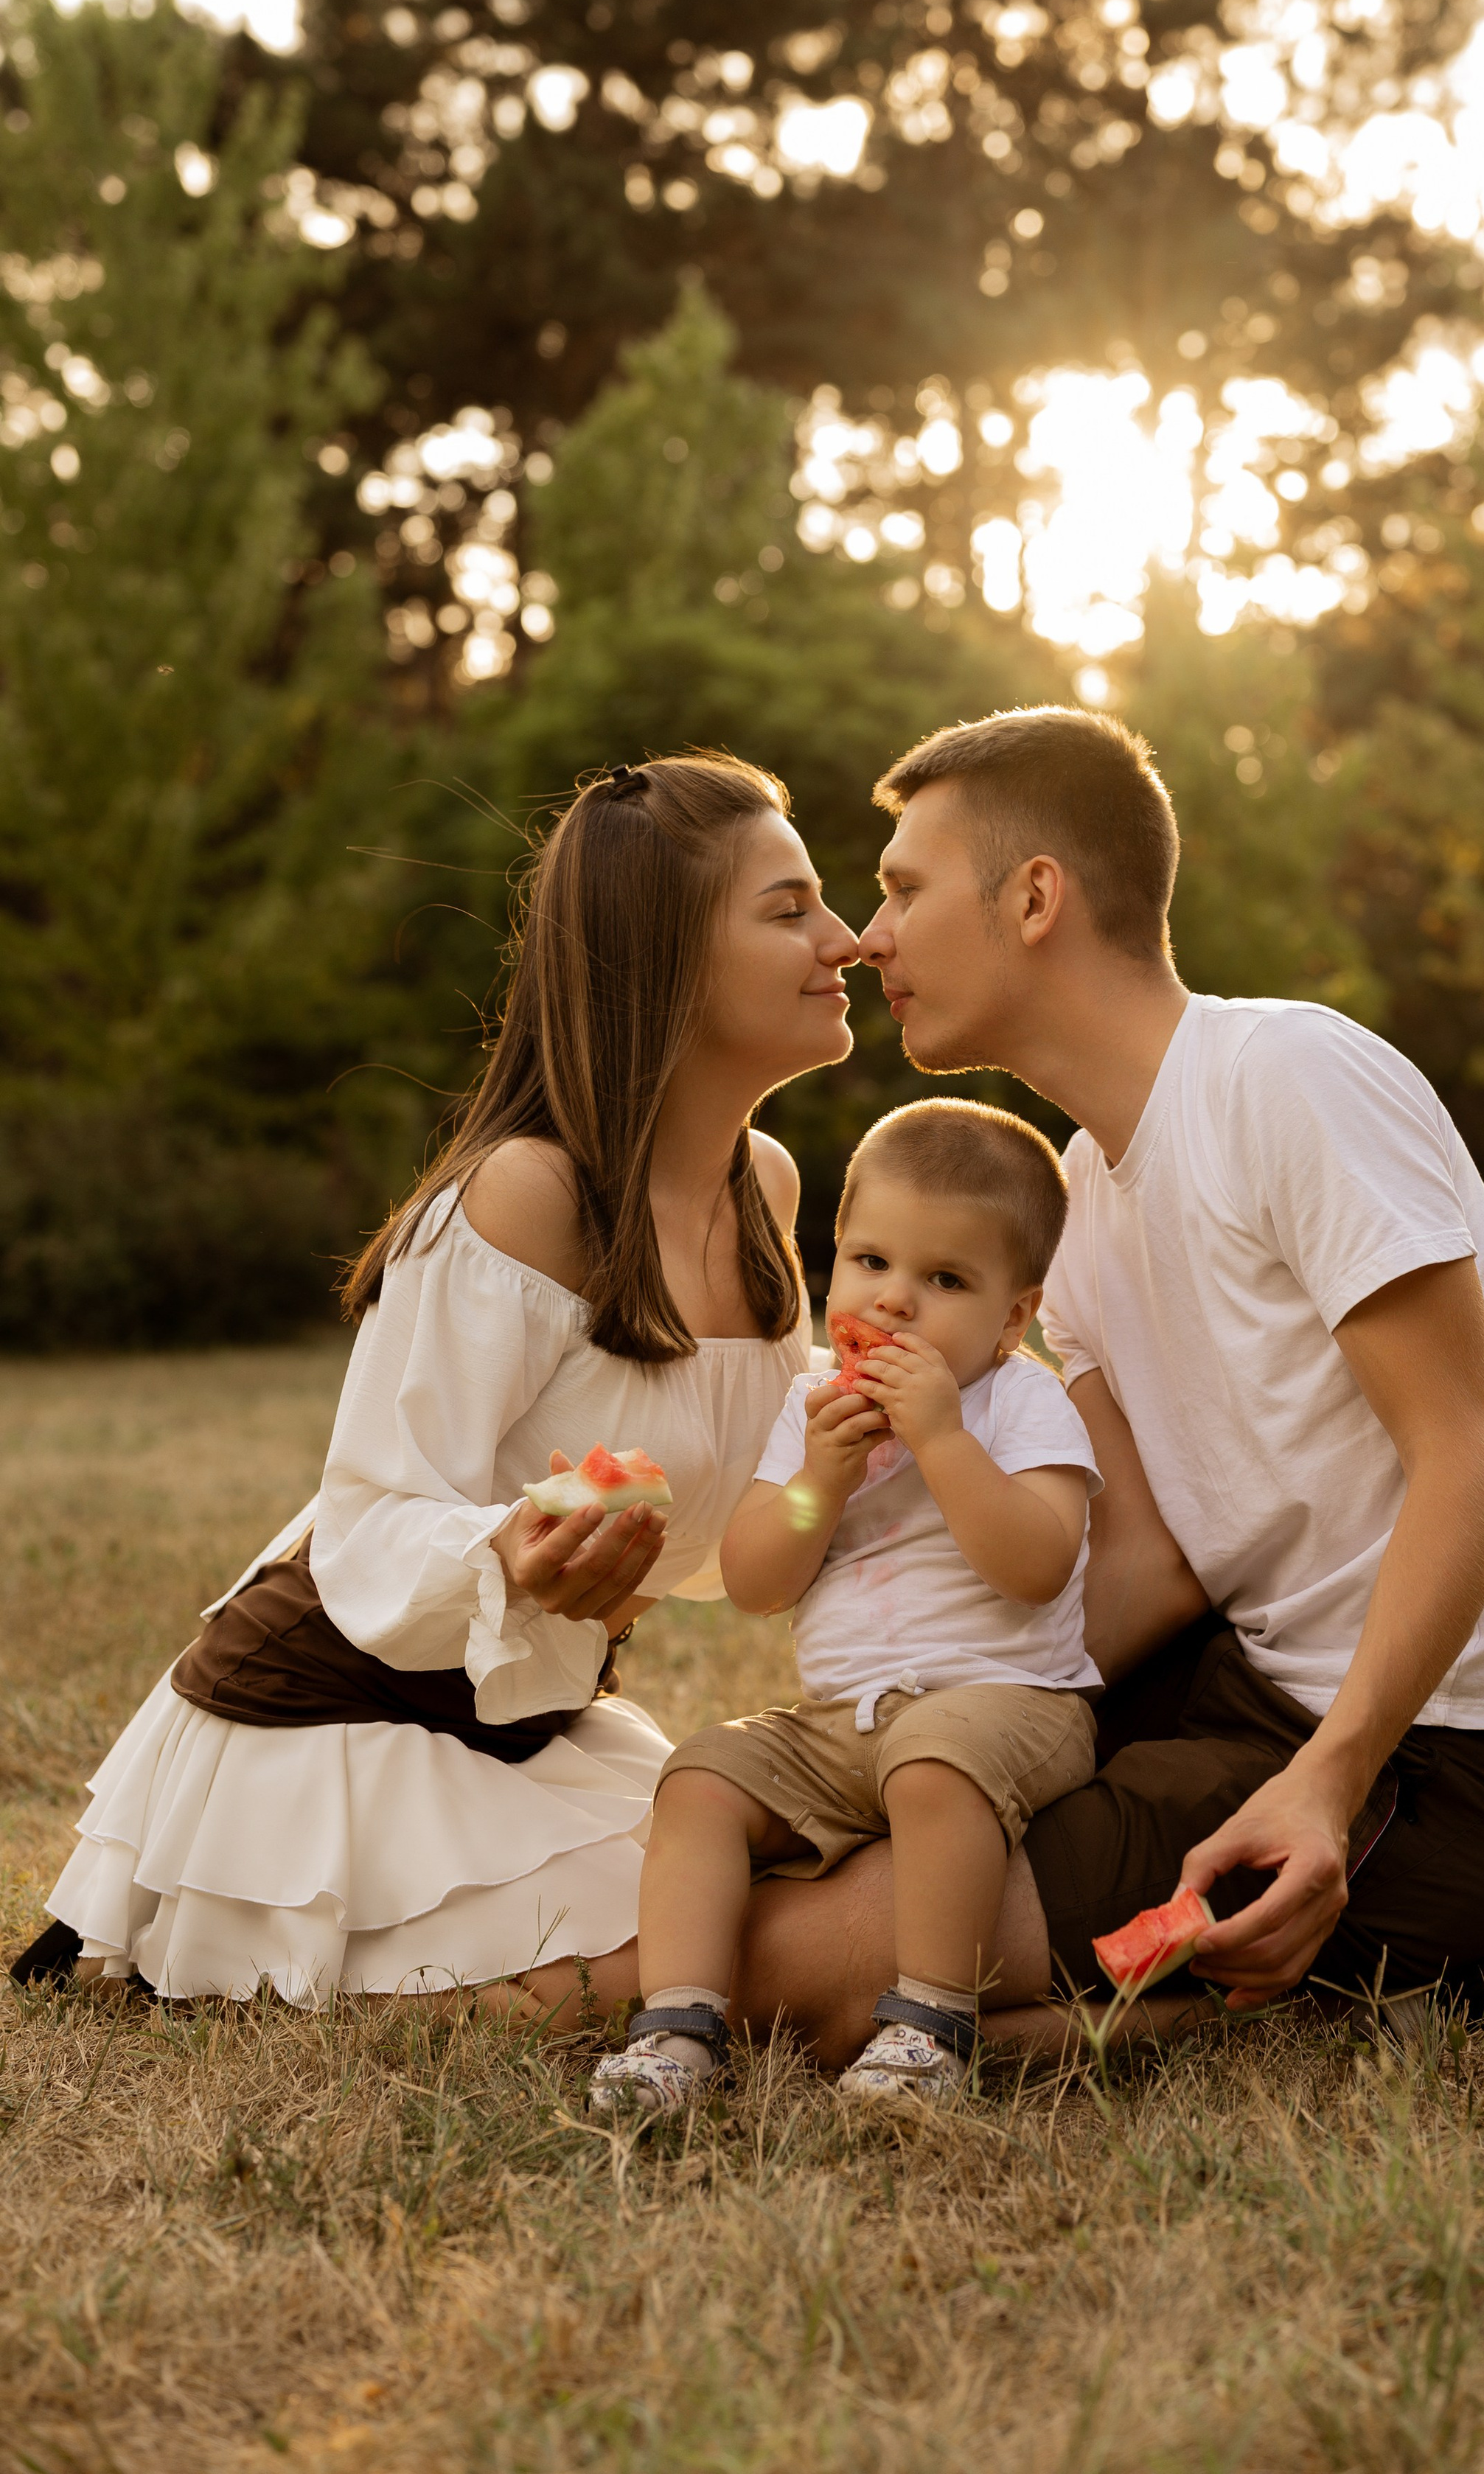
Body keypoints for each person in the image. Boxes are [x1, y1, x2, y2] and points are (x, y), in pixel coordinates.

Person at [732, 706, 1484, 2057]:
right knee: (830, 1844)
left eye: (904, 887)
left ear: (1035, 898)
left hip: (1437, 1757)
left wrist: (1329, 1783)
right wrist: (922, 1702)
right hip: (1233, 1685)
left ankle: (1237, 1989)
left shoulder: (1289, 1077)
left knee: (798, 1966)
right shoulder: (1075, 1199)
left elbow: (1472, 1463)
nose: (869, 936)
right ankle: (1212, 1990)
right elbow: (1150, 1567)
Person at [19, 754, 858, 2024]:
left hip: (526, 1726)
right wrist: (514, 1550)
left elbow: (749, 1515)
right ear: (666, 954)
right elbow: (368, 1523)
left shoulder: (768, 1193)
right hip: (331, 1740)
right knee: (714, 1967)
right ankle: (282, 1974)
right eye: (789, 909)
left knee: (783, 1903)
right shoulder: (527, 1197)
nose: (842, 940)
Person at [589, 1098, 1101, 2114]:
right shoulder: (813, 1411)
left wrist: (944, 1443)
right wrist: (822, 1474)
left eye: (945, 1280)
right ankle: (679, 2032)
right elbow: (755, 1581)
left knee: (935, 1760)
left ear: (1011, 1316)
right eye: (871, 1264)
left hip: (1011, 1703)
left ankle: (928, 2027)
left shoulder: (1019, 1399)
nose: (897, 1302)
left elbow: (1037, 1563)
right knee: (700, 1776)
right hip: (843, 1725)